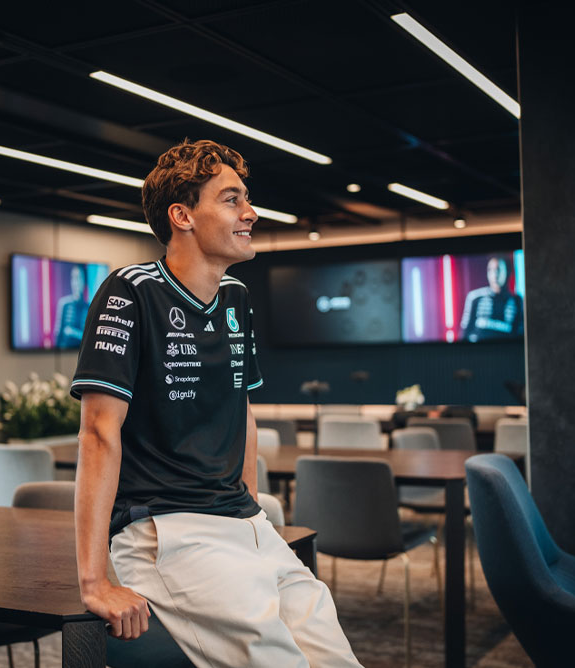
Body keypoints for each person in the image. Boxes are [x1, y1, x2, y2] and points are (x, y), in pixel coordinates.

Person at [70, 139, 361, 667]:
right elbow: (98, 433)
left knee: (336, 658)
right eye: (232, 200)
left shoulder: (236, 298)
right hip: (167, 530)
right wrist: (94, 581)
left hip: (244, 523)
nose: (250, 213)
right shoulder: (129, 291)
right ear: (182, 215)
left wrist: (252, 513)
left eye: (246, 199)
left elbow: (241, 411)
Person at [459, 256, 524, 342]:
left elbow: (520, 335)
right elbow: (464, 333)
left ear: (508, 272)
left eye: (498, 270)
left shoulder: (517, 301)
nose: (495, 275)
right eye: (490, 270)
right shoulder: (475, 297)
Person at [54, 265, 90, 348]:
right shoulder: (64, 304)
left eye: (79, 278)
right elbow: (58, 334)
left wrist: (73, 332)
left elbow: (89, 338)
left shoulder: (89, 307)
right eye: (74, 278)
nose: (76, 283)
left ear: (84, 281)